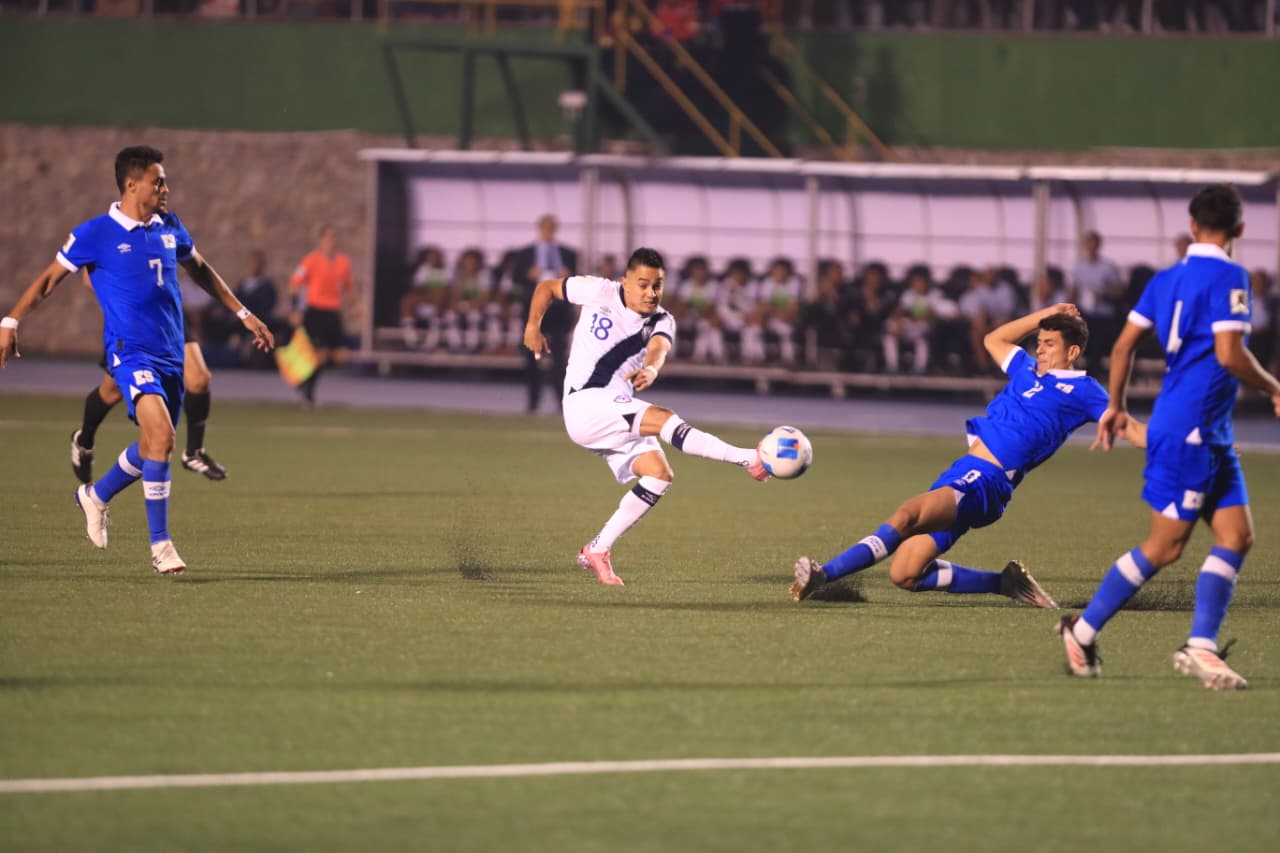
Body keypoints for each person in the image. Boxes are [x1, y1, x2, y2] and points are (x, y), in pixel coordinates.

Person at [0, 145, 274, 574]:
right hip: (130, 353)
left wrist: (243, 313)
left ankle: (95, 496)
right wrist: (11, 321)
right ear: (132, 184)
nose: (166, 188)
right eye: (158, 180)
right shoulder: (95, 233)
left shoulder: (169, 225)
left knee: (152, 445)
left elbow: (200, 268)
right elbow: (49, 280)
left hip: (170, 354)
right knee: (162, 436)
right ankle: (161, 546)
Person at [1060, 184, 1280, 690]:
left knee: (1237, 537)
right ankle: (1082, 629)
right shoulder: (1231, 275)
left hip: (1208, 432)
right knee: (1165, 547)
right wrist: (1272, 386)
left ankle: (1200, 646)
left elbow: (1122, 347)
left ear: (1191, 225)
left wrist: (1115, 405)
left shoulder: (1166, 279)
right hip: (1189, 431)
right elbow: (1228, 354)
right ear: (1240, 230)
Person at [791, 303, 1125, 607]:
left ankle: (824, 575)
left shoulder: (1084, 390)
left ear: (1073, 351)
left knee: (907, 515)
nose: (1039, 347)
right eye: (1039, 341)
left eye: (1049, 343)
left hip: (987, 481)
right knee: (905, 574)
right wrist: (1044, 316)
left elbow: (1127, 425)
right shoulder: (1027, 369)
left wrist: (1168, 442)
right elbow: (993, 340)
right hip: (965, 471)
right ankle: (1004, 582)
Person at [523, 247, 769, 586]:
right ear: (625, 282)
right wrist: (533, 326)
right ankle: (749, 458)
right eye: (643, 284)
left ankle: (598, 549)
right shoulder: (600, 291)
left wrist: (652, 368)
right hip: (585, 405)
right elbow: (547, 288)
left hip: (614, 407)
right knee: (665, 418)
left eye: (658, 285)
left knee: (659, 475)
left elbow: (659, 348)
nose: (651, 293)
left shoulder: (661, 319)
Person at [70, 303, 228, 484]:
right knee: (112, 391)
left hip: (167, 310)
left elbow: (200, 274)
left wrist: (242, 312)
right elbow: (89, 278)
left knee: (200, 379)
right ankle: (84, 440)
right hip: (130, 315)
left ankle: (193, 452)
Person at [514, 214, 578, 413]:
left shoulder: (569, 254)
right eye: (545, 227)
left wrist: (567, 277)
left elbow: (579, 280)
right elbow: (516, 278)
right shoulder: (525, 253)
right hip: (535, 310)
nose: (548, 231)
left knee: (559, 359)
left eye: (552, 227)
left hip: (558, 311)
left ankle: (562, 403)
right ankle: (533, 402)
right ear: (539, 228)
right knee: (532, 357)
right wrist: (528, 275)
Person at [289, 224, 357, 404]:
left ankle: (305, 381)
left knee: (340, 355)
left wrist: (355, 305)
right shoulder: (311, 260)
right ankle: (308, 390)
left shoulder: (343, 262)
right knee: (320, 354)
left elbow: (348, 286)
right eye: (328, 237)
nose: (331, 241)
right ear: (321, 240)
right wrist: (295, 309)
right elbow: (295, 283)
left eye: (334, 237)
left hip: (332, 312)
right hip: (316, 310)